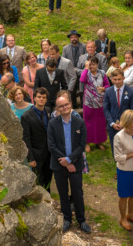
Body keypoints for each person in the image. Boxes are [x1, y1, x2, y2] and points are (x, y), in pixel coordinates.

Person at [47, 95, 91, 234]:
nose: (64, 107)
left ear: (70, 104)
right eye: (61, 106)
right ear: (57, 109)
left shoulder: (80, 122)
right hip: (59, 165)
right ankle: (67, 219)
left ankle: (81, 220)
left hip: (75, 164)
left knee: (78, 193)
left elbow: (81, 144)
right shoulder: (52, 123)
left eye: (66, 104)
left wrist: (70, 160)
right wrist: (66, 163)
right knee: (63, 193)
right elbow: (51, 146)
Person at [21, 87, 52, 191]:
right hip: (36, 153)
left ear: (46, 99)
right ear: (34, 98)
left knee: (48, 178)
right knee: (39, 181)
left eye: (44, 97)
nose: (41, 99)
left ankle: (48, 196)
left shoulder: (48, 111)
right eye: (39, 97)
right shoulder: (26, 116)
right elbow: (26, 138)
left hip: (49, 152)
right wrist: (30, 158)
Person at [103, 69, 133, 156]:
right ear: (111, 79)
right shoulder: (108, 91)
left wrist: (126, 123)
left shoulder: (131, 91)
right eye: (115, 79)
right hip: (113, 125)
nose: (117, 82)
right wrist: (112, 123)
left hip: (127, 125)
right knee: (115, 147)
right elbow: (106, 109)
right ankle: (116, 160)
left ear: (123, 78)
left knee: (127, 147)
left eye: (119, 79)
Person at [80, 56, 110, 152]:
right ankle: (87, 143)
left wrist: (103, 88)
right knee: (87, 123)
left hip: (100, 103)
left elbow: (107, 85)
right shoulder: (86, 73)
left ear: (97, 64)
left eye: (93, 64)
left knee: (100, 123)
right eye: (90, 64)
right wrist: (86, 68)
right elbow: (82, 80)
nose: (91, 66)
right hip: (89, 103)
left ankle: (99, 142)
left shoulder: (102, 73)